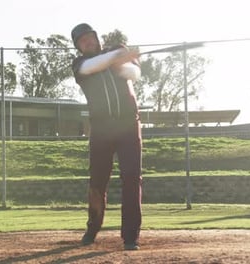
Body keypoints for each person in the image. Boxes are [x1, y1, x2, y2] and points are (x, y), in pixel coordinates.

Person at [71, 23, 143, 250]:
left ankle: (130, 237)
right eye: (82, 41)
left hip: (129, 127)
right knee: (97, 183)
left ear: (96, 37)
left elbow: (135, 73)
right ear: (79, 48)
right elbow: (92, 67)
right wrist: (116, 58)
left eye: (89, 37)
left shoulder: (117, 50)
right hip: (101, 129)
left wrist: (121, 62)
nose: (87, 42)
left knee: (132, 179)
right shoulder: (80, 64)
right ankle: (92, 229)